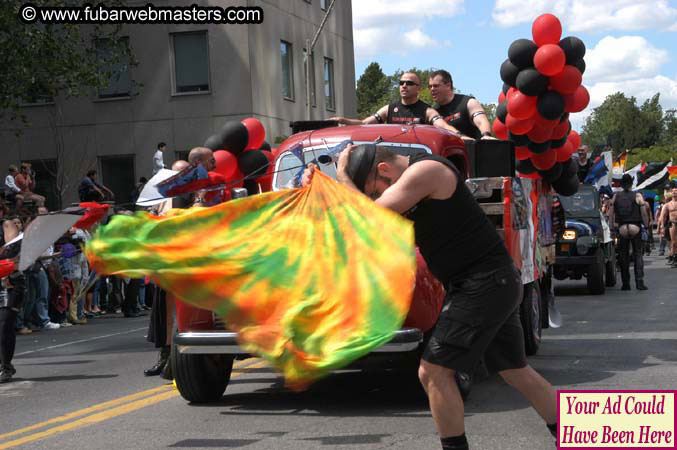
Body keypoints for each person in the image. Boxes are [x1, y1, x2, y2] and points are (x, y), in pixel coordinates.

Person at [302, 144, 557, 449]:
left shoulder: (426, 171)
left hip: (483, 283)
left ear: (384, 169)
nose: (377, 197)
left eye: (376, 190)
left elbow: (368, 216)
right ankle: (581, 433)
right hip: (489, 282)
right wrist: (322, 184)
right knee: (516, 372)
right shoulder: (410, 183)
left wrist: (342, 173)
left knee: (433, 372)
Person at [330, 72, 464, 135]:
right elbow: (364, 123)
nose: (404, 86)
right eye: (401, 83)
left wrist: (460, 136)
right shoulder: (389, 109)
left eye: (409, 83)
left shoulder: (427, 111)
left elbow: (442, 125)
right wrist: (342, 120)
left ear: (418, 88)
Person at [608, 174, 649, 290]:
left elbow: (611, 213)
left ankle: (626, 284)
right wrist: (646, 226)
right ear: (631, 183)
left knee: (623, 256)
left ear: (621, 184)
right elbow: (643, 210)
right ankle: (639, 282)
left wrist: (611, 228)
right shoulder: (637, 195)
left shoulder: (616, 196)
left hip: (622, 228)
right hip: (635, 227)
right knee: (638, 255)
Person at [428, 70, 493, 140]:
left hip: (473, 148)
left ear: (448, 86)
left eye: (436, 86)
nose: (432, 89)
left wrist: (486, 135)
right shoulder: (432, 112)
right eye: (430, 86)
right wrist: (460, 136)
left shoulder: (469, 102)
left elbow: (481, 121)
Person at [1, 218, 26, 383]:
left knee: (4, 325)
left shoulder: (7, 224)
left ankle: (6, 367)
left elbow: (10, 252)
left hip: (9, 283)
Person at [658, 187, 677, 267]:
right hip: (672, 224)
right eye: (673, 191)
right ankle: (675, 259)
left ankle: (673, 257)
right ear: (671, 193)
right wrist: (661, 227)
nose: (675, 192)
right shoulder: (667, 205)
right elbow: (663, 217)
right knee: (674, 242)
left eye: (676, 191)